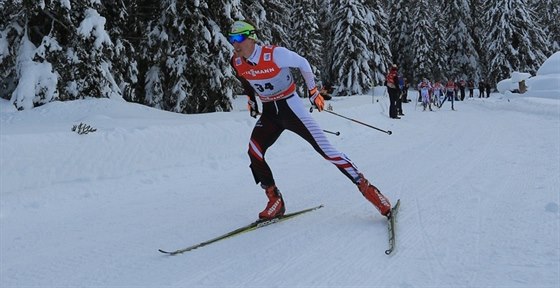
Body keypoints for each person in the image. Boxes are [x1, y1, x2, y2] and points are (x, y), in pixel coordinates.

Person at [227, 20, 392, 220]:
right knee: (254, 152)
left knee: (328, 152)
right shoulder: (236, 61)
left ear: (251, 37)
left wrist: (313, 91)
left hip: (291, 108)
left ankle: (369, 190)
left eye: (238, 38)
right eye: (231, 39)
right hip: (270, 112)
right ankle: (274, 199)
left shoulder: (274, 54)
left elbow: (303, 63)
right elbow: (245, 78)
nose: (234, 44)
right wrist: (251, 99)